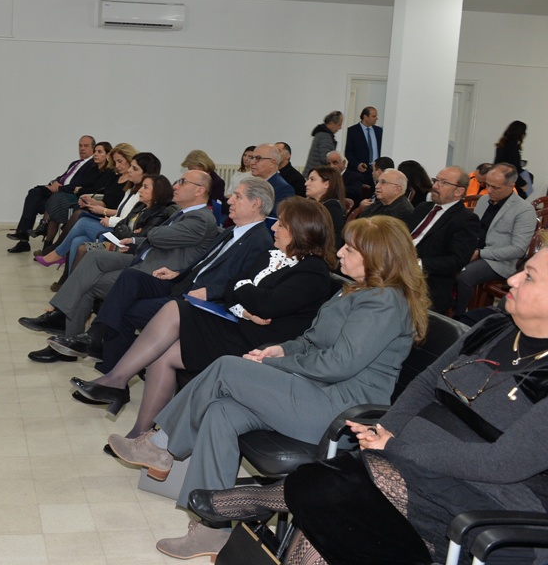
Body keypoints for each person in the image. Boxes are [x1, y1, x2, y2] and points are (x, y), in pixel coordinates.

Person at [194, 232, 548, 565]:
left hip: (485, 498)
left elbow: (501, 464)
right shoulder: (492, 329)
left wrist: (396, 446)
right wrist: (386, 429)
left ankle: (259, 499)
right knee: (333, 515)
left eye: (529, 277)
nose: (512, 279)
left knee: (337, 488)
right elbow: (426, 383)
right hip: (409, 464)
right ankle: (260, 499)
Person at [106, 216, 430, 560]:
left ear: (376, 256)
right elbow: (312, 340)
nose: (341, 253)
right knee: (221, 412)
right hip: (313, 390)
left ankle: (161, 447)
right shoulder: (358, 290)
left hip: (339, 408)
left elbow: (338, 365)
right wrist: (281, 350)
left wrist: (274, 365)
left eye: (350, 249)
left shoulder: (384, 301)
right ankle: (211, 529)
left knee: (227, 368)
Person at [71, 197, 336, 436]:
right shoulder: (272, 255)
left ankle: (116, 381)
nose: (274, 227)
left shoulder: (313, 272)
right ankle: (140, 432)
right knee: (164, 352)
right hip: (237, 324)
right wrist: (244, 304)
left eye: (282, 224)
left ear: (302, 231)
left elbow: (264, 305)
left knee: (176, 308)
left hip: (258, 344)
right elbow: (232, 288)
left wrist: (243, 289)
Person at [47, 178, 276, 372]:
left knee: (124, 308)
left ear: (255, 204)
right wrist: (178, 273)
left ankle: (108, 367)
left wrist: (210, 291)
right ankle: (96, 339)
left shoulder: (259, 240)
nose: (229, 200)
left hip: (200, 301)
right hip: (180, 282)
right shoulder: (232, 231)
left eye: (237, 196)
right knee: (129, 278)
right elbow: (204, 263)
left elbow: (243, 283)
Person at [19, 170, 219, 360]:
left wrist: (147, 233)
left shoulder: (200, 218)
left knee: (88, 283)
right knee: (94, 256)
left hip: (155, 273)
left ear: (199, 190)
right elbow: (158, 237)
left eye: (182, 182)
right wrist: (135, 239)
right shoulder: (182, 213)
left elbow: (158, 235)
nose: (176, 185)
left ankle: (67, 339)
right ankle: (61, 316)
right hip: (144, 258)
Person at [35, 151, 159, 270]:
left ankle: (57, 254)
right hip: (116, 227)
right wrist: (96, 206)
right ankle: (69, 279)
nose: (129, 170)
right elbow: (122, 213)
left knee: (83, 221)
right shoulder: (130, 190)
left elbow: (131, 222)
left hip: (122, 237)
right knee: (78, 241)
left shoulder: (142, 196)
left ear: (146, 174)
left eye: (134, 168)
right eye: (131, 166)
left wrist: (107, 218)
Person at [454, 163, 538, 315]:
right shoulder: (483, 200)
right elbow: (472, 231)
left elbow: (518, 249)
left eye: (495, 188)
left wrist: (480, 253)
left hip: (499, 261)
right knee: (444, 264)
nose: (489, 190)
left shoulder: (524, 210)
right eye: (487, 185)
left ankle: (459, 317)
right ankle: (442, 308)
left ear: (511, 186)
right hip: (474, 251)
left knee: (464, 276)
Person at [406, 165, 480, 314]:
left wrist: (417, 264)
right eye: (436, 180)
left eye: (443, 183)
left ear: (459, 191)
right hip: (399, 266)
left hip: (428, 279)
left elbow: (456, 261)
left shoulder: (466, 220)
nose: (435, 186)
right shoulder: (423, 208)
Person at [7, 135, 96, 253]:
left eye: (86, 146)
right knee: (34, 194)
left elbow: (81, 185)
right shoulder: (75, 163)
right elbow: (63, 177)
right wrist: (54, 182)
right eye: (80, 146)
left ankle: (39, 234)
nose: (82, 148)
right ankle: (23, 237)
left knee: (50, 201)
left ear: (93, 148)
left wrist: (60, 188)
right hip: (58, 191)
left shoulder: (92, 165)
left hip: (67, 197)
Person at [32, 141, 115, 249]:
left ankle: (45, 234)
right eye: (95, 151)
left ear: (108, 155)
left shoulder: (109, 172)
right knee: (55, 209)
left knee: (57, 199)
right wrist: (79, 189)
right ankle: (47, 246)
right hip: (80, 198)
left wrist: (80, 190)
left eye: (99, 152)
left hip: (91, 201)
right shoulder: (92, 168)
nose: (95, 154)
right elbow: (82, 184)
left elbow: (97, 189)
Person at [304, 165, 347, 249]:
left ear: (326, 184)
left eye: (312, 179)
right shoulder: (314, 205)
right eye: (308, 179)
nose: (306, 183)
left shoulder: (332, 207)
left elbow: (333, 242)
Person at [248, 143, 294, 215]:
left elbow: (275, 218)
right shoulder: (250, 183)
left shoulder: (283, 189)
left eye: (258, 158)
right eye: (252, 158)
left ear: (272, 163)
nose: (252, 162)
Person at [344, 106, 382, 188]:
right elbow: (348, 151)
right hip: (359, 171)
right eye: (373, 116)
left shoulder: (379, 131)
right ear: (365, 117)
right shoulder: (352, 131)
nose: (376, 118)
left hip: (375, 170)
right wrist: (356, 164)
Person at [494, 120, 527, 195]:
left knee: (528, 176)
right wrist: (523, 184)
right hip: (508, 177)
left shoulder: (502, 144)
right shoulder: (512, 146)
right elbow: (514, 168)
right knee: (528, 184)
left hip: (500, 174)